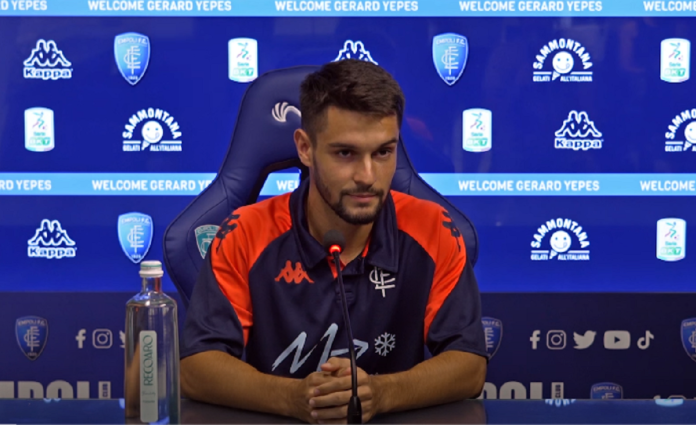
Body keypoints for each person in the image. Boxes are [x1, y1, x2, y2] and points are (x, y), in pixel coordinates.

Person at [180, 59, 488, 423]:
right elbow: (196, 367)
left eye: (383, 152)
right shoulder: (245, 233)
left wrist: (381, 393)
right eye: (346, 153)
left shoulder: (433, 228)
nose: (367, 176)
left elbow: (469, 365)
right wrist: (293, 398)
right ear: (305, 148)